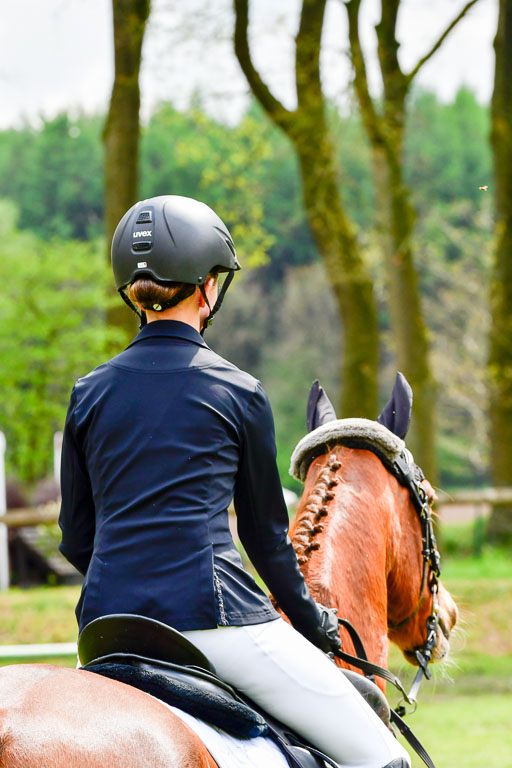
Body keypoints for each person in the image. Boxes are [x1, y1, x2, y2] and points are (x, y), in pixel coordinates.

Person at [59, 195, 410, 768]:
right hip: (215, 621)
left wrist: (129, 583)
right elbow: (266, 540)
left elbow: (77, 538)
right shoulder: (237, 391)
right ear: (207, 288)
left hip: (106, 628)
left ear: (131, 292)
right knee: (381, 756)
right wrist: (315, 622)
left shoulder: (88, 393)